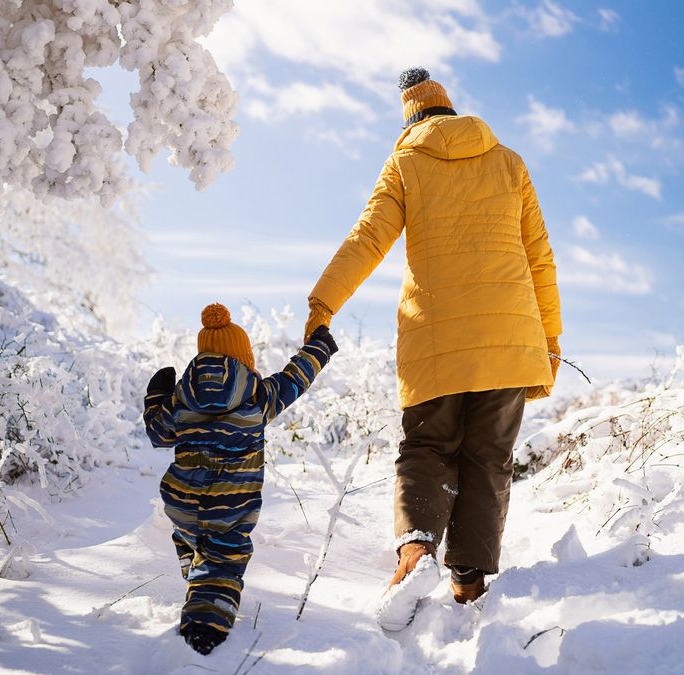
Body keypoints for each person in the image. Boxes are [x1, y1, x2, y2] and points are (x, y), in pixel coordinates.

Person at [303, 68, 562, 630]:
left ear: (411, 117)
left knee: (427, 448)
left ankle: (416, 548)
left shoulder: (405, 163)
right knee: (487, 458)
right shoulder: (509, 162)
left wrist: (323, 303)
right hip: (510, 340)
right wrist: (551, 342)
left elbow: (367, 237)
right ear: (448, 108)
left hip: (434, 339)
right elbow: (539, 257)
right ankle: (468, 580)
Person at [144, 303, 338, 654]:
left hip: (181, 500)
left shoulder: (180, 399)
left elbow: (157, 434)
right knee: (223, 557)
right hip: (228, 506)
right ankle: (205, 626)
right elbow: (297, 377)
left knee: (191, 536)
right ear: (244, 358)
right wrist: (320, 346)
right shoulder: (258, 397)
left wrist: (156, 395)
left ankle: (198, 574)